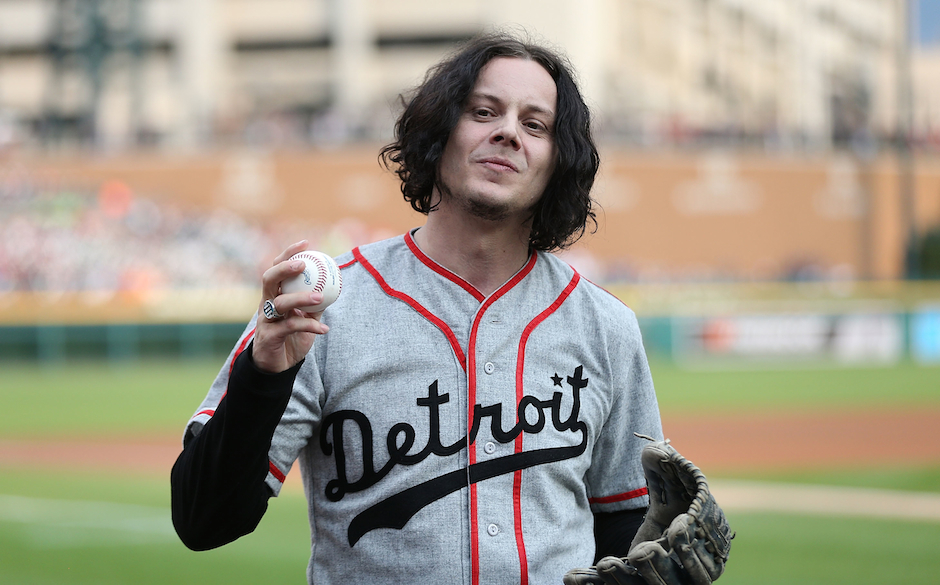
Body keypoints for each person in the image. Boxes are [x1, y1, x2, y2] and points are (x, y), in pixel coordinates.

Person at [171, 32, 664, 585]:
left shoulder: (605, 325)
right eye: (483, 111)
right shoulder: (321, 310)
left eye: (535, 124)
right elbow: (202, 521)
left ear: (558, 161)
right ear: (439, 133)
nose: (507, 132)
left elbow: (623, 519)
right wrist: (262, 379)